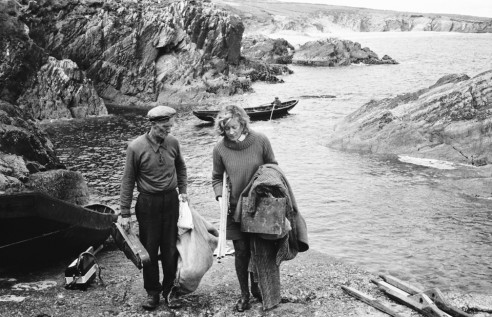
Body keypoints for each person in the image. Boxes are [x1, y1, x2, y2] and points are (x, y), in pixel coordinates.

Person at [119, 105, 188, 311]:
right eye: (164, 128)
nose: (168, 131)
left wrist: (183, 190)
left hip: (171, 201)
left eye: (170, 127)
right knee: (148, 250)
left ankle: (169, 290)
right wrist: (124, 213)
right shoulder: (135, 147)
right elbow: (128, 180)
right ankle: (152, 292)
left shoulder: (173, 142)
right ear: (153, 125)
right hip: (147, 203)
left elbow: (181, 167)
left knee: (170, 249)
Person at [211, 104, 277, 312]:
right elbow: (216, 178)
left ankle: (258, 286)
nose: (231, 132)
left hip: (259, 207)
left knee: (259, 250)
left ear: (242, 123)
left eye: (234, 127)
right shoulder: (220, 148)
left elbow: (273, 167)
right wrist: (219, 196)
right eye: (226, 129)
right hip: (234, 208)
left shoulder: (260, 141)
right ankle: (244, 294)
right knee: (241, 252)